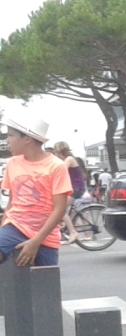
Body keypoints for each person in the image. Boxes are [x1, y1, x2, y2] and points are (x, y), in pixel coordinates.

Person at [0, 109, 72, 267]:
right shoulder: (12, 163)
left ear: (27, 138)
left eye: (11, 135)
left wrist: (36, 241)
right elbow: (12, 203)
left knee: (45, 286)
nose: (7, 140)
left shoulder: (57, 166)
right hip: (15, 227)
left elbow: (59, 209)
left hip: (46, 236)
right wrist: (2, 230)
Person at [51, 141, 86, 242]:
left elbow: (61, 170)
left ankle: (73, 232)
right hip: (71, 188)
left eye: (56, 152)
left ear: (61, 151)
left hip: (76, 188)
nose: (55, 154)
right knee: (54, 207)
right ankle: (63, 225)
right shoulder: (63, 160)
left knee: (59, 209)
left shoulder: (69, 159)